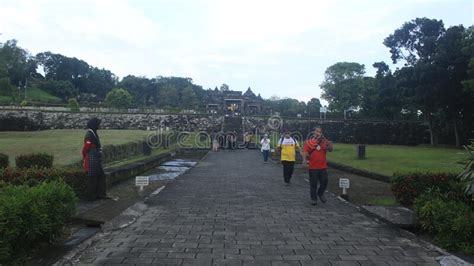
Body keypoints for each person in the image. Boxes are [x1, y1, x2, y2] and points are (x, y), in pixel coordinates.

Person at [301, 126, 333, 205]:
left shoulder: (324, 141)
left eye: (319, 132)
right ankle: (314, 199)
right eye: (317, 131)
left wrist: (329, 143)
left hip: (323, 166)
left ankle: (320, 193)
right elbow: (305, 152)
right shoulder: (308, 142)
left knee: (324, 181)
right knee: (313, 183)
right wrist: (304, 160)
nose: (318, 133)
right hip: (313, 167)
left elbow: (330, 149)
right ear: (313, 133)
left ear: (321, 133)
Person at [82, 117, 107, 201]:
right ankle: (91, 196)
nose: (99, 125)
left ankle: (100, 194)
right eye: (98, 124)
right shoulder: (89, 134)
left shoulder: (93, 132)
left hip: (95, 157)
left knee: (100, 176)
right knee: (92, 177)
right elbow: (86, 147)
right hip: (92, 157)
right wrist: (85, 156)